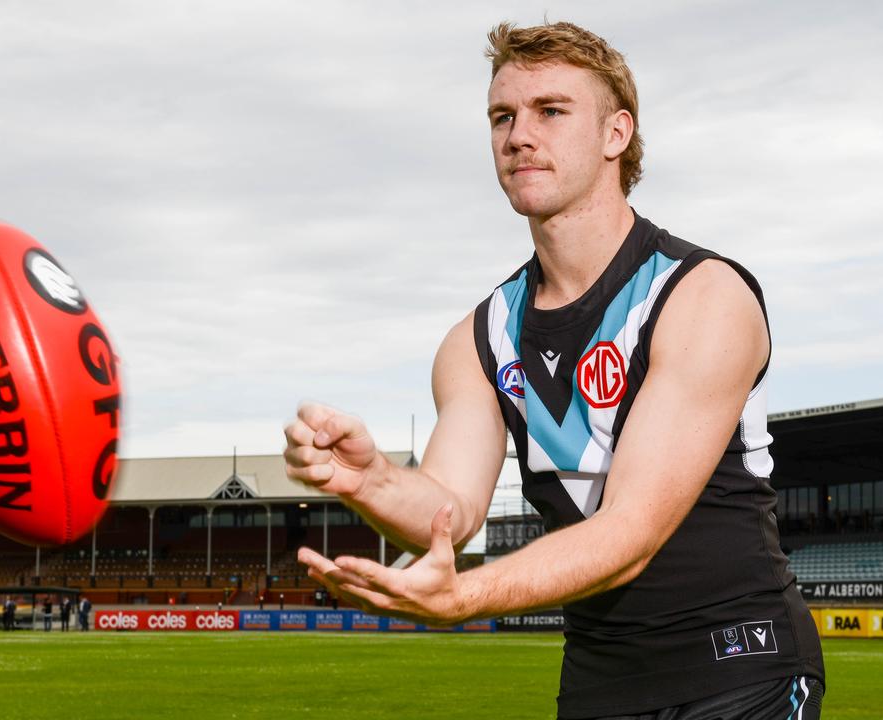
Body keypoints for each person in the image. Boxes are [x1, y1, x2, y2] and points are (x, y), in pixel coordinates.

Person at [288, 21, 824, 720]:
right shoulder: (476, 338)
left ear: (615, 135)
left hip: (739, 670)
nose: (518, 135)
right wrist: (374, 481)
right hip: (599, 686)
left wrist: (466, 598)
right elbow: (450, 510)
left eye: (550, 111)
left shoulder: (700, 295)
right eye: (502, 116)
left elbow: (631, 534)